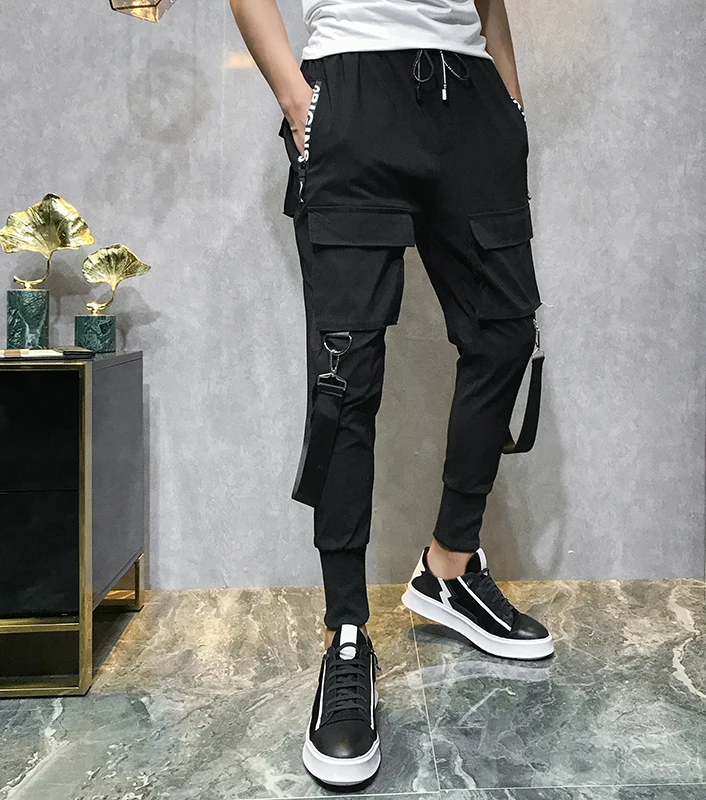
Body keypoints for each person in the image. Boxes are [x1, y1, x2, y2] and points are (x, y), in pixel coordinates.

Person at [229, 0, 555, 786]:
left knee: (504, 334)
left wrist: (510, 105)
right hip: (352, 91)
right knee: (346, 375)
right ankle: (345, 634)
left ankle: (450, 566)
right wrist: (297, 101)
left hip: (471, 95)